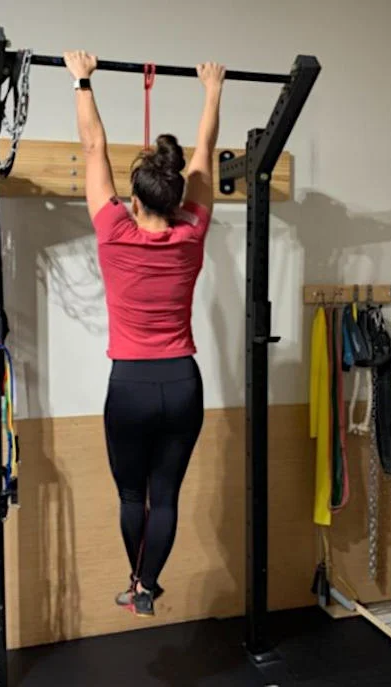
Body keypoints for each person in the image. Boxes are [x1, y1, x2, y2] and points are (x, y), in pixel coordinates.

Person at [63, 50, 225, 617]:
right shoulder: (193, 231)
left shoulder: (112, 230)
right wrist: (211, 88)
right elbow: (204, 156)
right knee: (168, 496)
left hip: (129, 385)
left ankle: (136, 583)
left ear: (133, 202)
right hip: (182, 383)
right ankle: (146, 586)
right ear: (177, 201)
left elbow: (93, 148)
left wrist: (83, 79)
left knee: (134, 495)